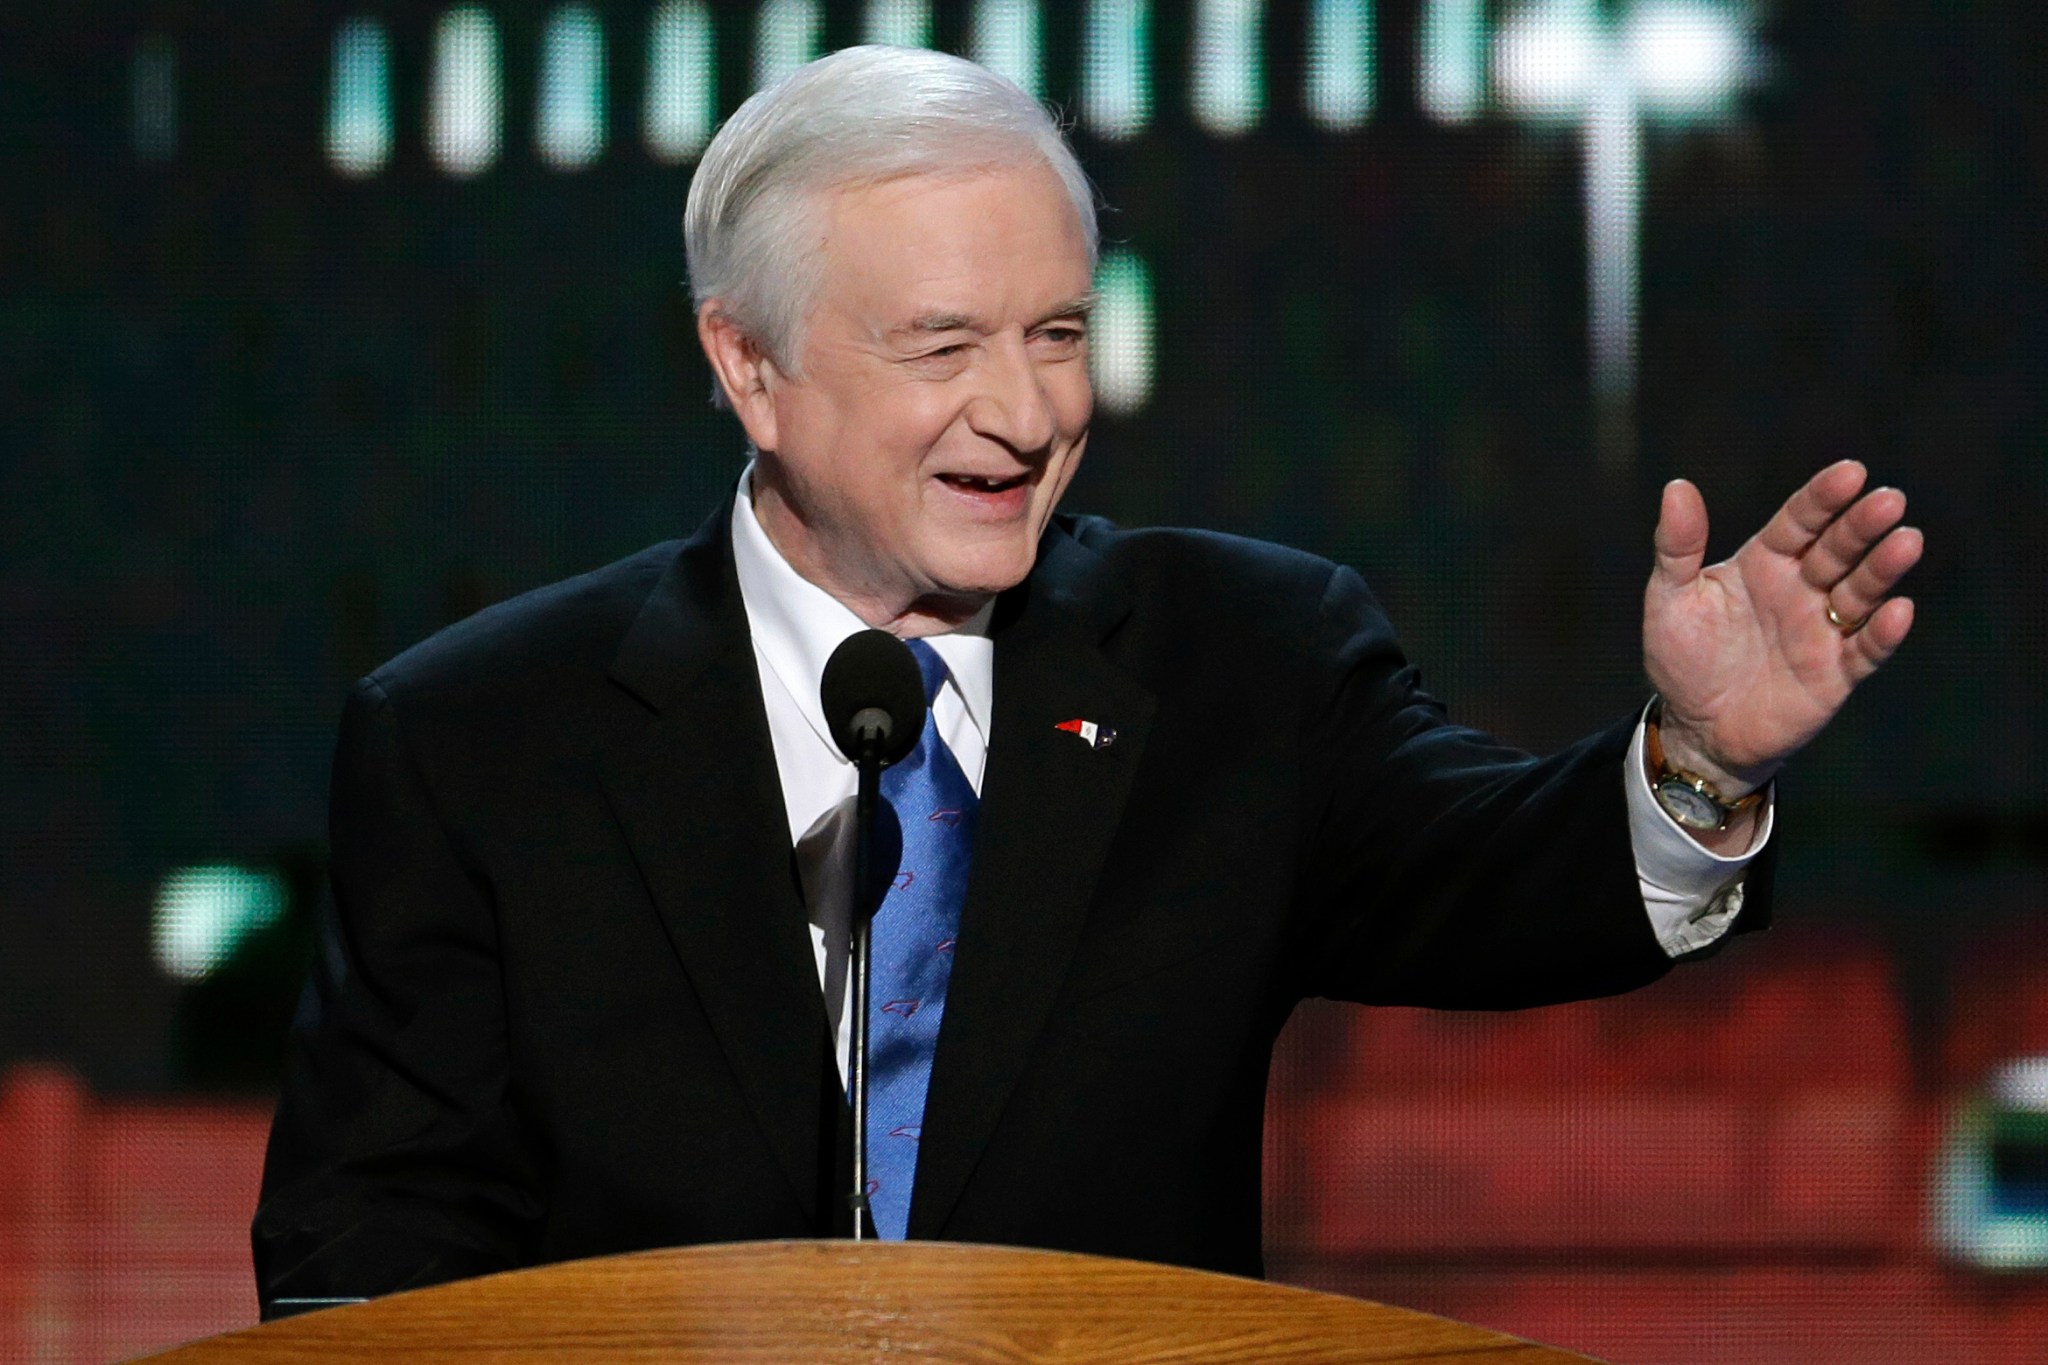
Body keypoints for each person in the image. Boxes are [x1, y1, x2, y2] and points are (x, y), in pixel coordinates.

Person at [252, 46, 1921, 1311]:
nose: (1030, 411)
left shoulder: (1242, 660)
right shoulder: (479, 736)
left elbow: (1501, 882)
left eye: (1058, 332)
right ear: (748, 365)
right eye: (945, 345)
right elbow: (368, 1246)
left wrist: (1698, 759)